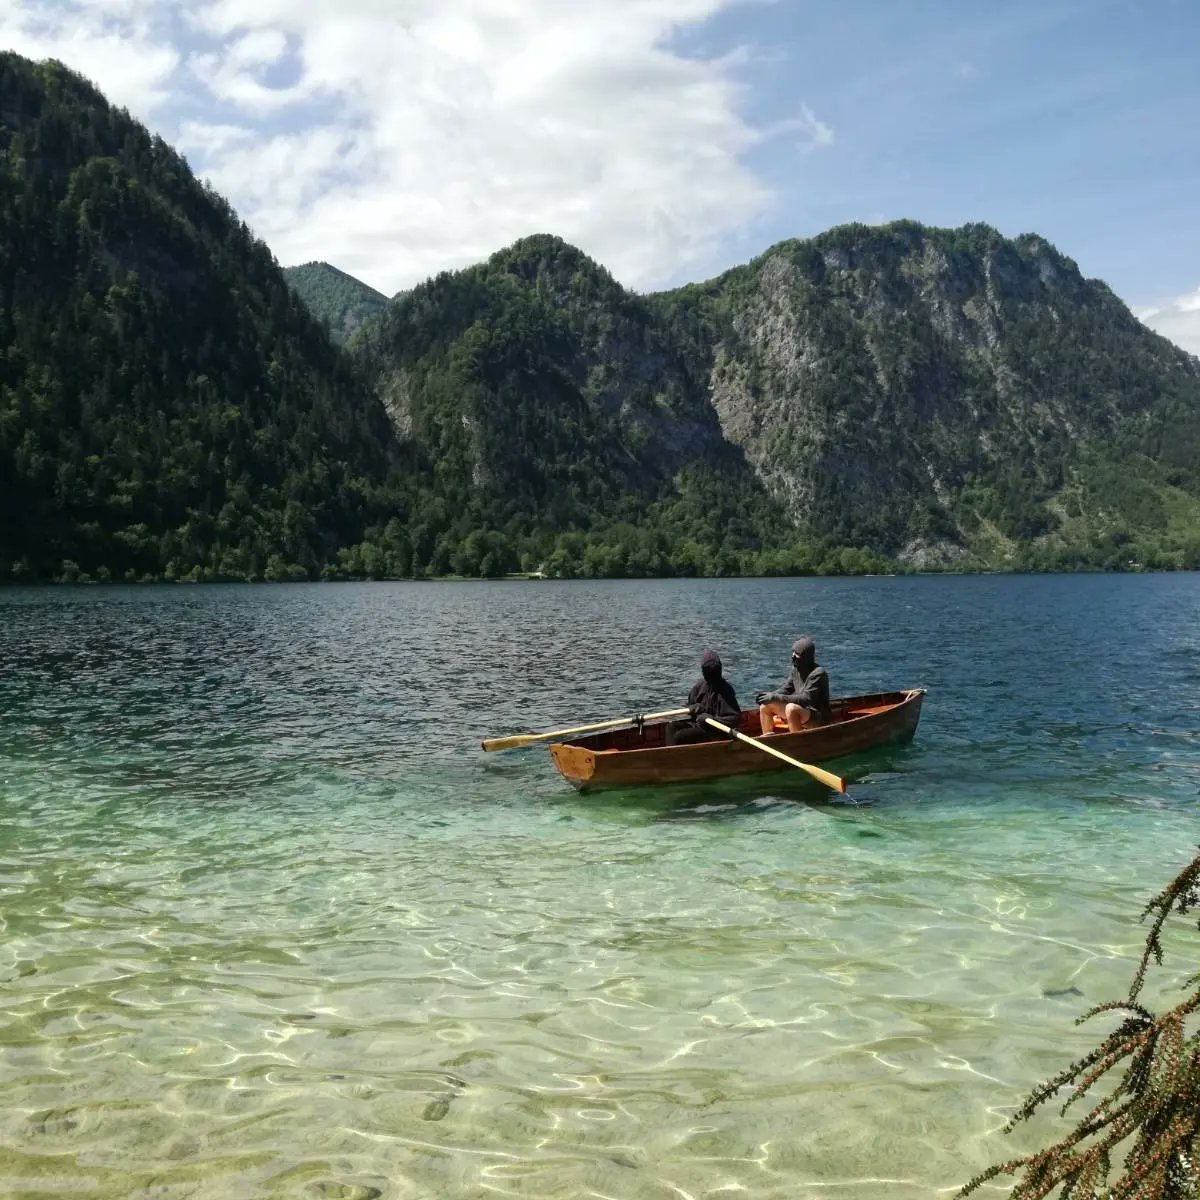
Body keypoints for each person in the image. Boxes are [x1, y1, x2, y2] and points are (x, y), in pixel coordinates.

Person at [756, 636, 830, 735]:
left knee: (791, 708)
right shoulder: (796, 669)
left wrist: (776, 697)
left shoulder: (818, 673)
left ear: (806, 657)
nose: (793, 656)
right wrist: (770, 696)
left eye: (797, 654)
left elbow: (806, 699)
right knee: (765, 706)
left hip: (817, 716)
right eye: (793, 652)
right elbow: (786, 689)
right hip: (801, 709)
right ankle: (767, 738)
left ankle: (796, 742)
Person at [668, 650, 742, 745]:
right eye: (709, 672)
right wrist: (694, 707)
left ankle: (674, 757)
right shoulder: (699, 687)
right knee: (671, 727)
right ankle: (669, 754)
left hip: (716, 731)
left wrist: (712, 719)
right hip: (699, 725)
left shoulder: (725, 690)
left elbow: (735, 718)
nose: (712, 675)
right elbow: (690, 706)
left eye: (714, 671)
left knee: (679, 736)